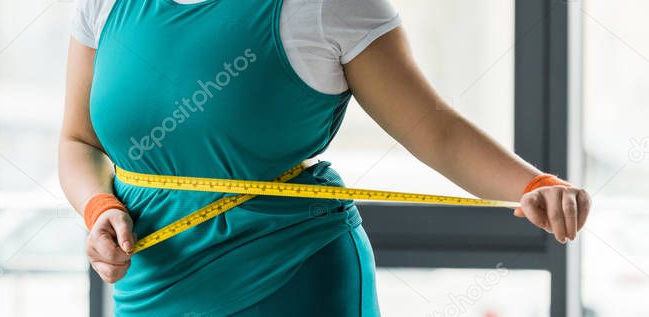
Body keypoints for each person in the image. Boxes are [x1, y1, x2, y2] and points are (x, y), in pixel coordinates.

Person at [57, 0, 592, 315]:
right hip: (147, 284)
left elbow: (436, 130)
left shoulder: (325, 5)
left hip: (292, 278)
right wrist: (99, 208)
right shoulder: (104, 5)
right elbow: (78, 141)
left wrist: (532, 184)